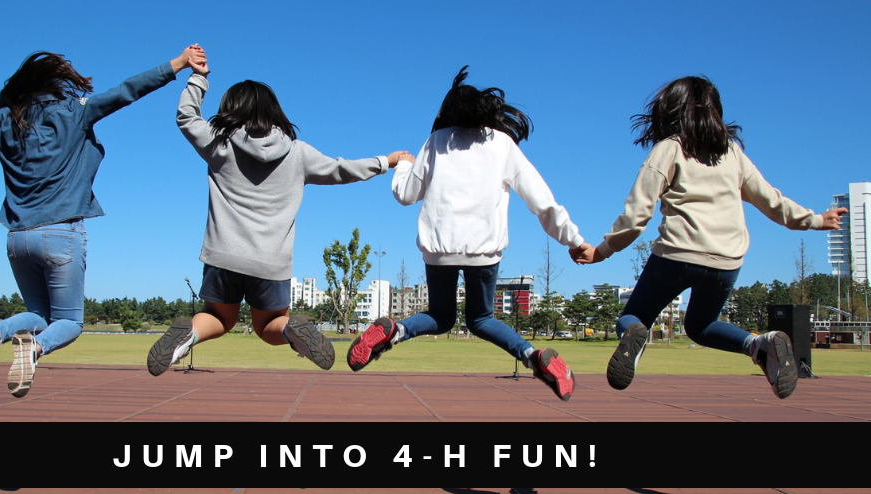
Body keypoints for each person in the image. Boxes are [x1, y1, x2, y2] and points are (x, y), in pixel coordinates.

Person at [0, 47, 199, 397]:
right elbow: (127, 91)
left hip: (17, 238)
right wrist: (177, 64)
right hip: (61, 234)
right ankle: (34, 349)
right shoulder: (75, 112)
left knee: (38, 315)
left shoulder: (1, 122)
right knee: (70, 322)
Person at [572, 75, 846, 399]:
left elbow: (636, 216)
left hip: (676, 255)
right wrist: (814, 219)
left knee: (634, 317)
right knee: (700, 326)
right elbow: (771, 201)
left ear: (670, 111)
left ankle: (635, 335)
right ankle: (759, 344)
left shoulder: (668, 149)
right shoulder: (732, 153)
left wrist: (602, 251)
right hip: (726, 263)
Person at [146, 45, 411, 376]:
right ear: (275, 112)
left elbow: (186, 117)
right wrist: (385, 162)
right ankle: (291, 331)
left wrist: (198, 78)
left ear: (231, 109)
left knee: (218, 318)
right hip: (271, 263)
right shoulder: (298, 153)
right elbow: (342, 170)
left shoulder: (221, 143)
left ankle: (189, 335)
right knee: (269, 325)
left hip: (222, 256)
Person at [347, 66, 587, 401]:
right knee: (481, 318)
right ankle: (533, 357)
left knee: (440, 316)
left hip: (439, 250)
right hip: (483, 252)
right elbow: (541, 200)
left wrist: (402, 162)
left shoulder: (435, 142)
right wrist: (574, 240)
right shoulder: (503, 145)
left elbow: (404, 194)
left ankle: (395, 331)